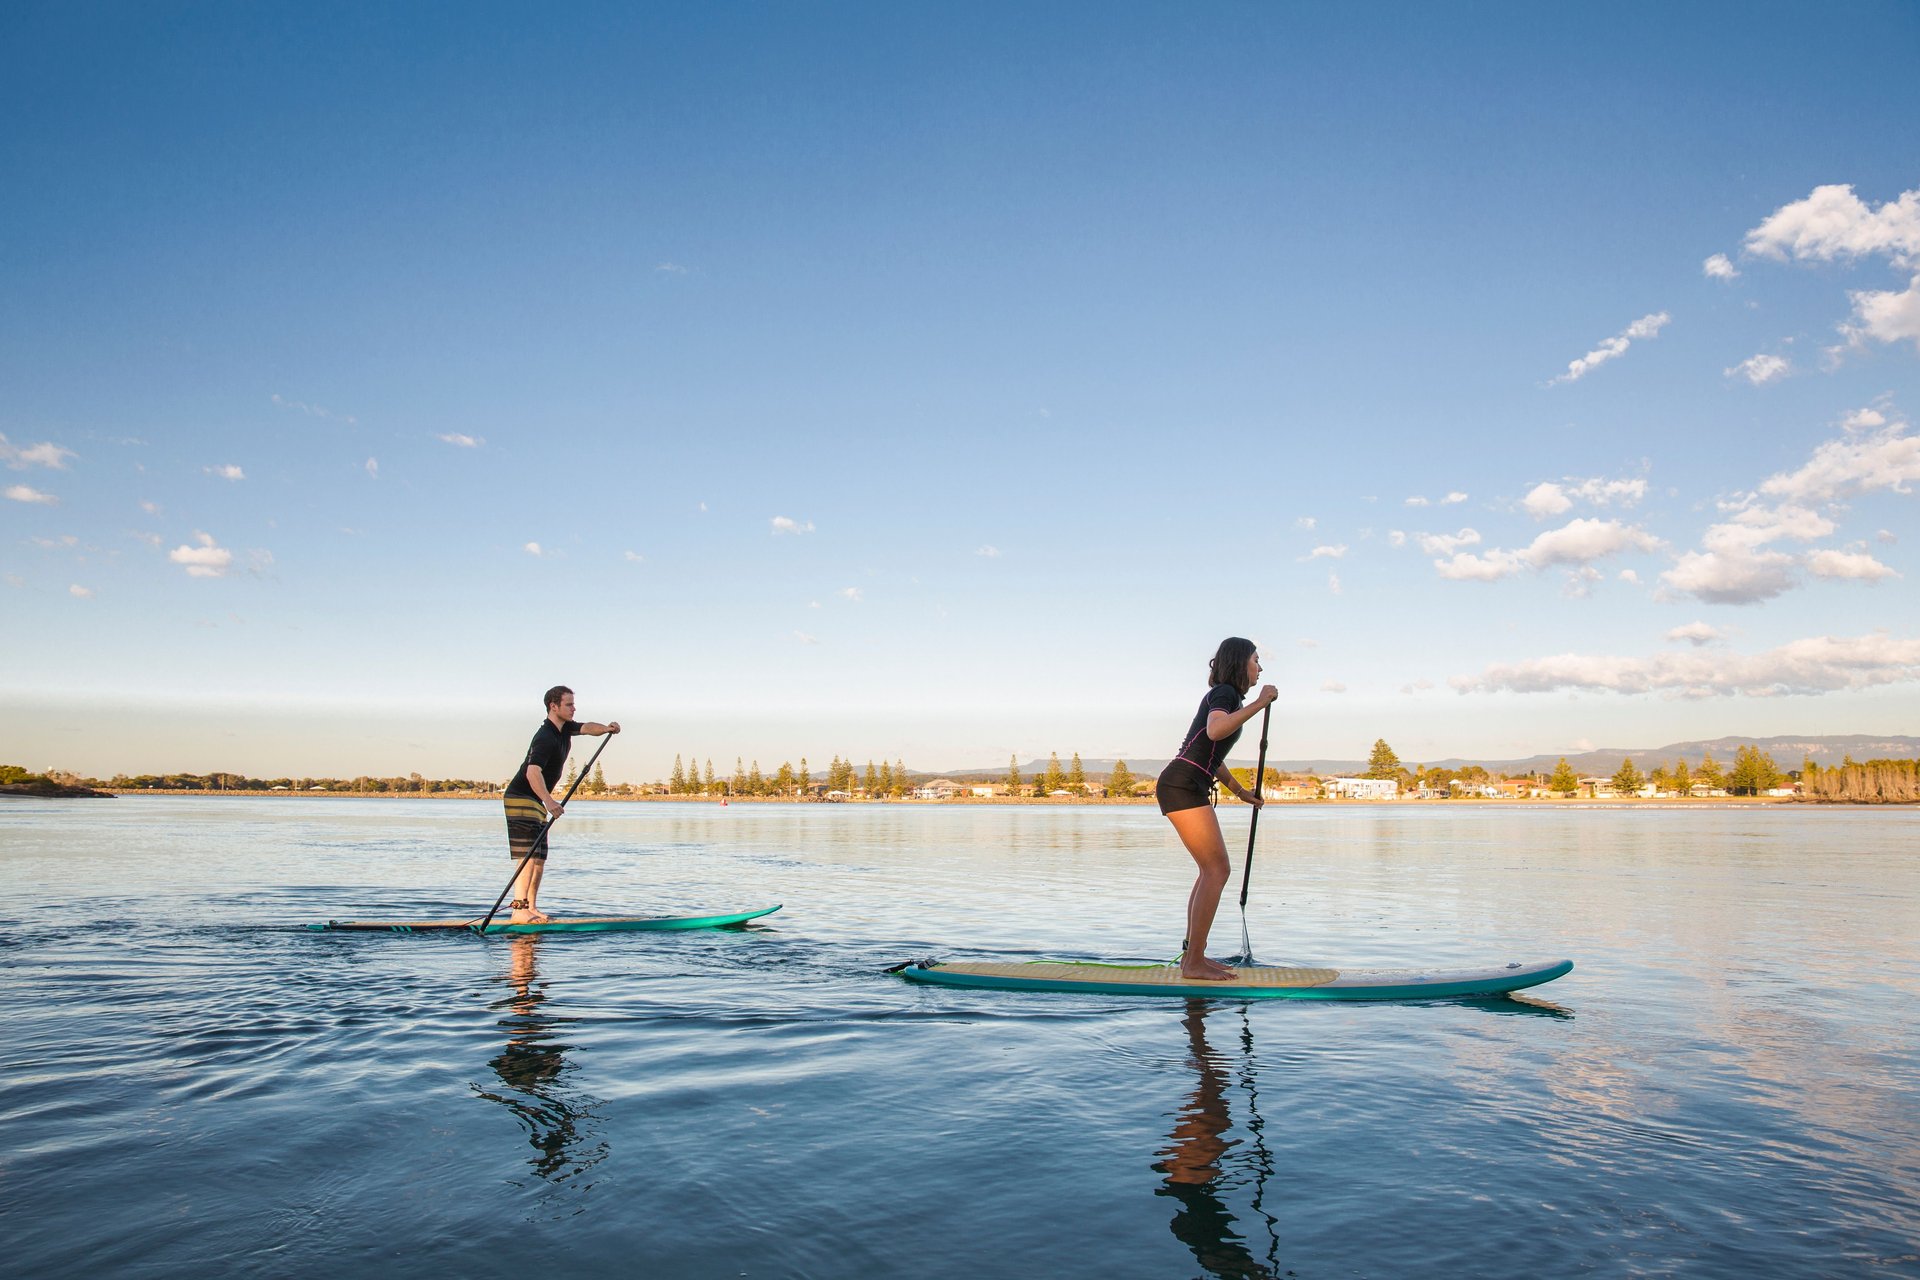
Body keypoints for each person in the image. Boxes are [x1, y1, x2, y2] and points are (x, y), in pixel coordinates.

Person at [1156, 638, 1277, 980]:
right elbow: (1216, 729)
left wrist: (1240, 791)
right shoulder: (1225, 693)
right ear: (1241, 663)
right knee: (1217, 870)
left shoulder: (1229, 698)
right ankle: (1193, 961)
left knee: (1210, 870)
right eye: (1256, 660)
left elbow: (1212, 754)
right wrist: (1260, 702)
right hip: (1182, 784)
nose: (1260, 667)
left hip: (1187, 783)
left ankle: (1193, 957)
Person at [502, 685, 619, 923]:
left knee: (540, 857)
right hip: (521, 796)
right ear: (553, 706)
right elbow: (532, 772)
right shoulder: (545, 736)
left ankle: (531, 908)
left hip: (536, 798)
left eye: (574, 704)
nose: (573, 708)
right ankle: (518, 910)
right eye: (568, 704)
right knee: (528, 857)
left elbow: (588, 728)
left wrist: (608, 728)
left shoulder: (564, 729)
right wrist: (549, 801)